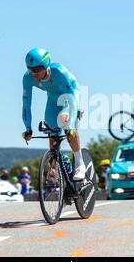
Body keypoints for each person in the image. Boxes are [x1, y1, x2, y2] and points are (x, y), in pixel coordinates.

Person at [21, 48, 86, 181]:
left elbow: (74, 94)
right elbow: (26, 104)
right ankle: (56, 164)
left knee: (64, 121)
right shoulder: (28, 78)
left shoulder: (59, 72)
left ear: (46, 65)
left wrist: (70, 123)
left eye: (37, 69)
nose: (34, 73)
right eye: (30, 68)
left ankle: (80, 163)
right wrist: (28, 128)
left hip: (70, 96)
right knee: (50, 128)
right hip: (53, 100)